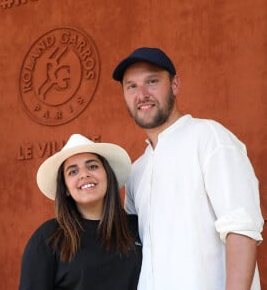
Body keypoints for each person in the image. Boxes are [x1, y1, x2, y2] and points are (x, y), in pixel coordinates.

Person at [112, 47, 264, 290]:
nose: (142, 94)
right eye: (131, 86)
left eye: (152, 82)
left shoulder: (209, 137)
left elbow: (241, 228)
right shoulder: (136, 171)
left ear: (174, 85)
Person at [19, 134, 142, 290]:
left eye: (92, 166)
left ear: (108, 176)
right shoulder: (49, 237)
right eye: (73, 172)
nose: (84, 174)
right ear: (66, 189)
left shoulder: (136, 228)